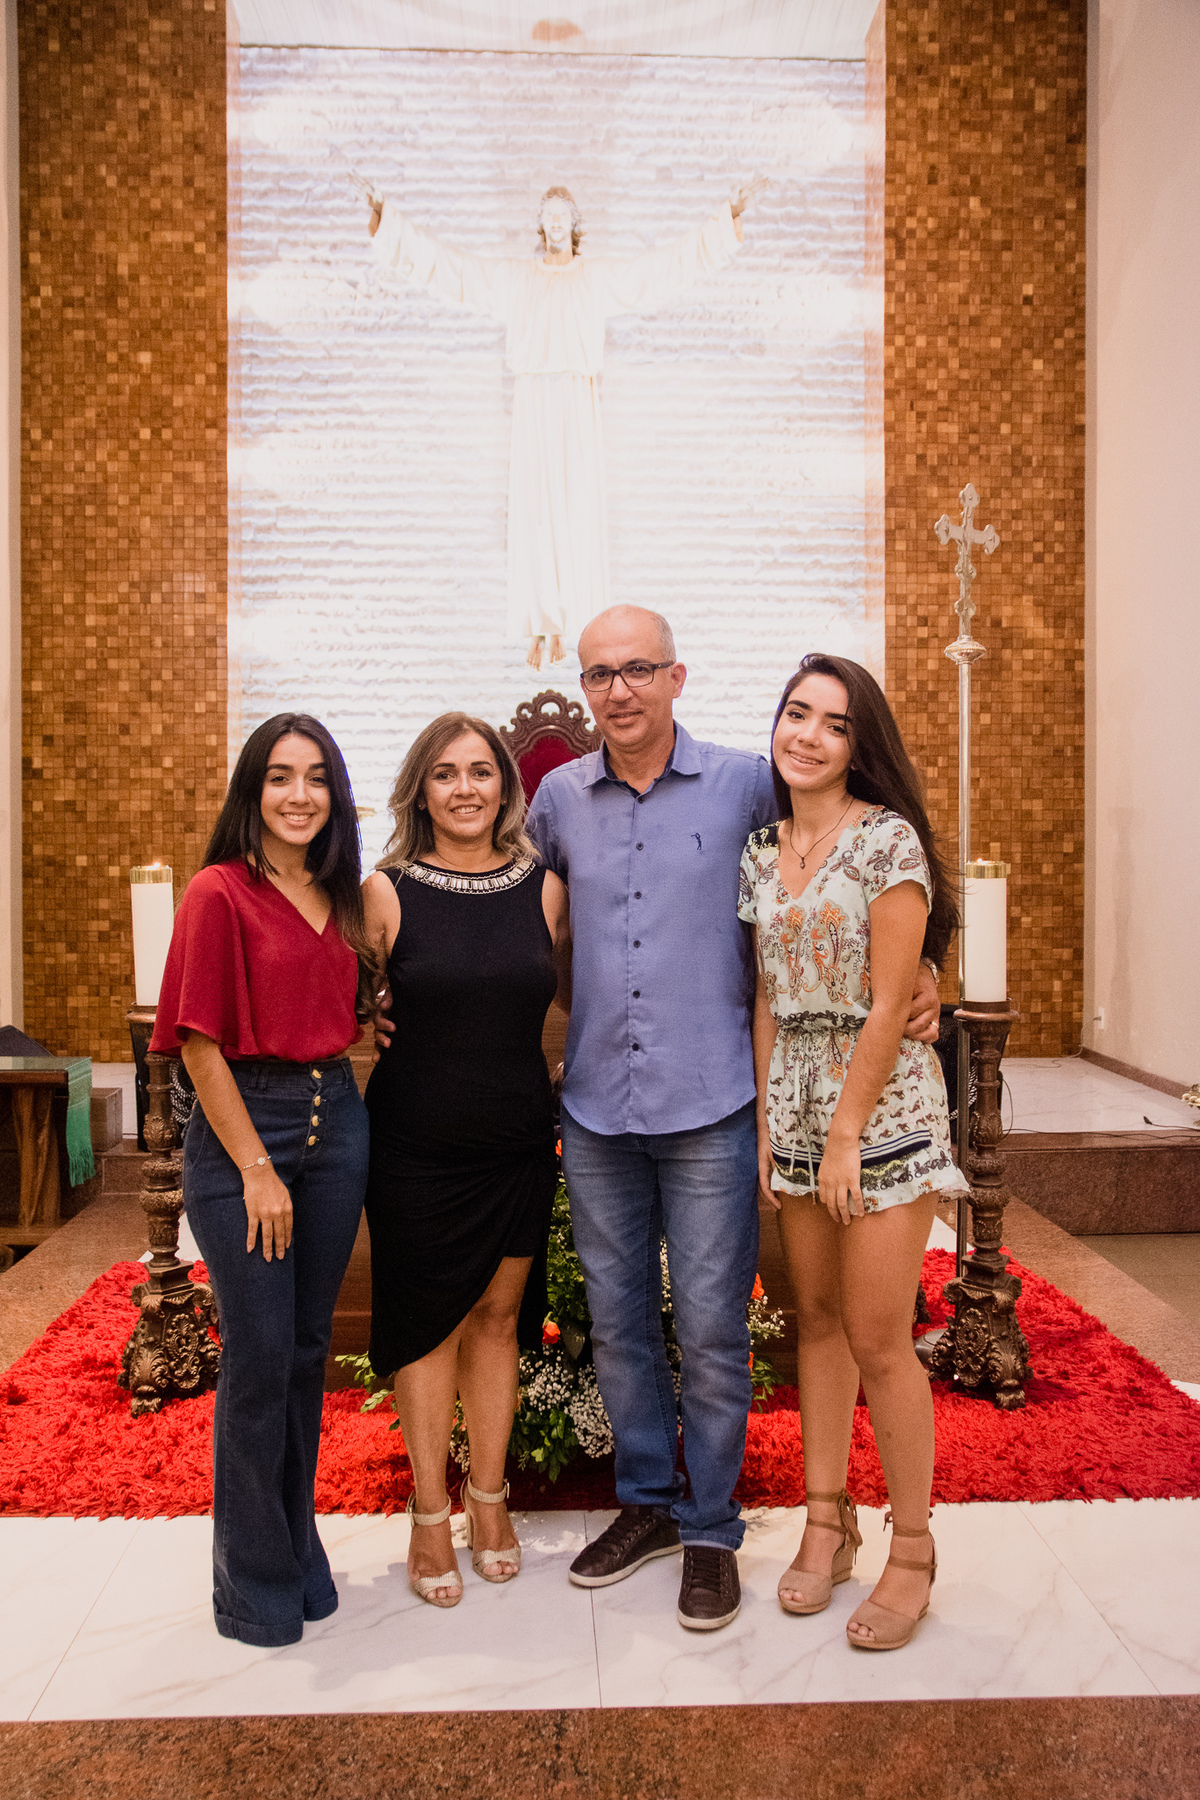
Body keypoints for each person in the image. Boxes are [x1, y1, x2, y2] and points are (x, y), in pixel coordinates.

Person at [524, 606, 942, 1631]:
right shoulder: (558, 799)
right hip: (607, 1104)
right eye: (600, 674)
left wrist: (928, 973)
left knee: (717, 1331)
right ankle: (651, 1506)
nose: (619, 689)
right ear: (584, 689)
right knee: (623, 1325)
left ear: (677, 676)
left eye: (639, 669)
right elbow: (509, 918)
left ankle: (713, 1529)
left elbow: (878, 883)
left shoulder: (748, 783)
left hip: (718, 1104)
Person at [739, 654, 968, 1650]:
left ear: (858, 745)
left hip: (880, 1108)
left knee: (878, 1334)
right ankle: (825, 1523)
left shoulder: (887, 841)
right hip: (794, 1103)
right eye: (798, 713)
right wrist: (767, 1125)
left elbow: (889, 1001)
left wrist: (842, 1137)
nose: (809, 735)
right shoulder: (761, 849)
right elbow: (764, 995)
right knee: (818, 1322)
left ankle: (912, 1549)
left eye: (834, 723)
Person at [150, 714, 372, 1647]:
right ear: (253, 789)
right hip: (249, 1128)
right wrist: (254, 1169)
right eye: (280, 776)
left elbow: (347, 1008)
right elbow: (199, 1044)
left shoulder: (342, 894)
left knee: (306, 1353)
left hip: (336, 1123)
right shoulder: (218, 892)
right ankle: (252, 1583)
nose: (299, 795)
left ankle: (295, 1543)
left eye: (316, 777)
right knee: (257, 1357)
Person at [363, 179, 764, 667]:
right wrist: (387, 220)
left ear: (574, 225)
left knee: (577, 509)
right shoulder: (518, 279)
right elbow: (454, 272)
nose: (555, 223)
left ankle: (572, 621)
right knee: (534, 510)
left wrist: (726, 219)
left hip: (577, 396)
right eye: (548, 215)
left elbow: (660, 270)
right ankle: (541, 624)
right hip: (533, 397)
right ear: (541, 225)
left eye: (562, 216)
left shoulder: (593, 278)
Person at [362, 713, 570, 1607]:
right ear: (421, 790)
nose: (464, 789)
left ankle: (489, 1501)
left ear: (505, 787)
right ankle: (427, 1510)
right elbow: (343, 1002)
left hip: (514, 1138)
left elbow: (586, 990)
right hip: (414, 1144)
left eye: (480, 771)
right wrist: (365, 1015)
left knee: (497, 1318)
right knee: (428, 1326)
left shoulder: (546, 888)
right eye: (445, 774)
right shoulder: (384, 891)